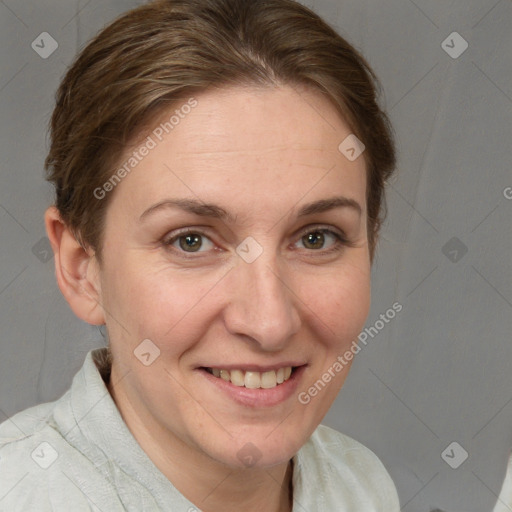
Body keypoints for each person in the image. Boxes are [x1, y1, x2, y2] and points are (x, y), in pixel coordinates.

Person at [0, 0, 400, 510]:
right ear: (83, 270)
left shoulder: (361, 486)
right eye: (190, 241)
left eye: (317, 237)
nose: (269, 322)